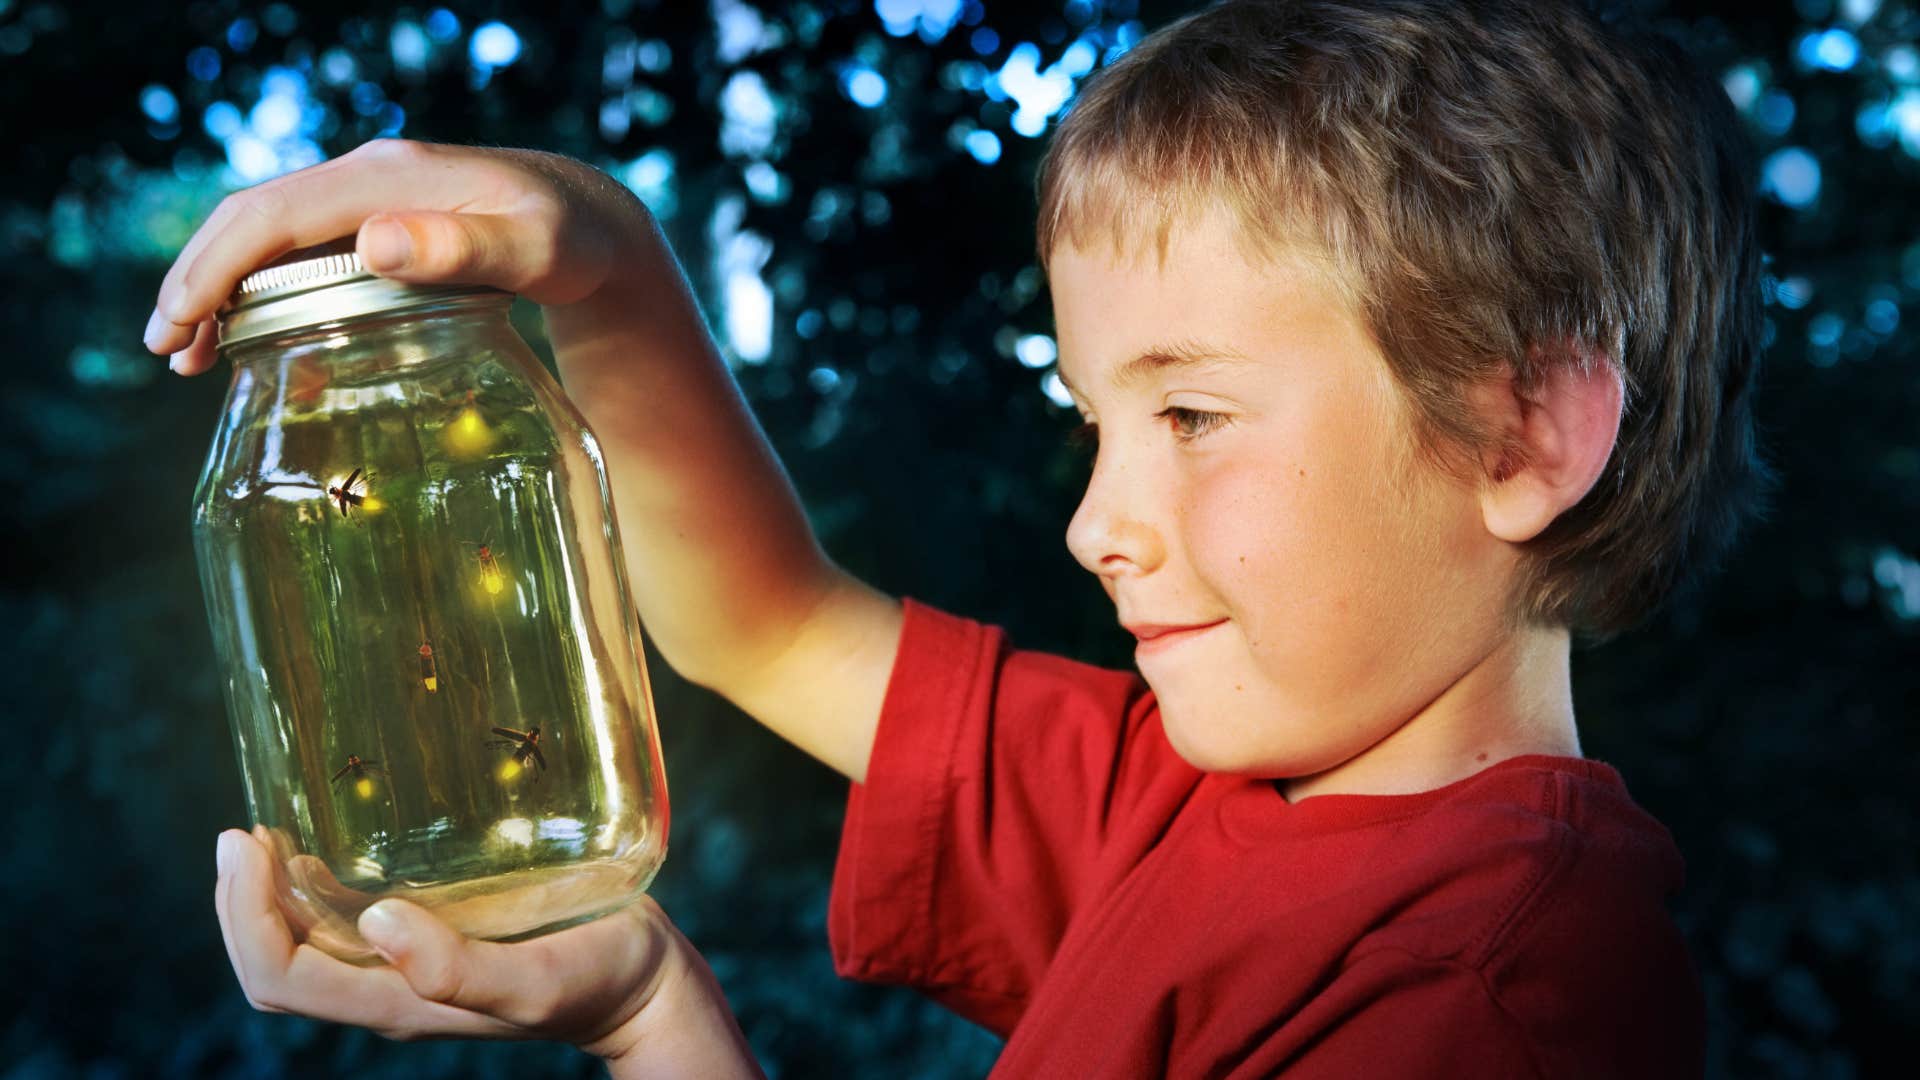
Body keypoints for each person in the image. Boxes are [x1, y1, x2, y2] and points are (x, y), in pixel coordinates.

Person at [146, 0, 1769, 1074]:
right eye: (1093, 423)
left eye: (1190, 415)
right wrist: (600, 256)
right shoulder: (1170, 802)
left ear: (1521, 434)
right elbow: (766, 621)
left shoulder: (1500, 1005)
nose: (1093, 525)